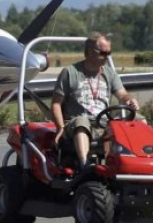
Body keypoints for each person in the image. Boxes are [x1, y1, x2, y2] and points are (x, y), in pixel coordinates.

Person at [51, 33, 141, 169]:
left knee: (139, 120)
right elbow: (56, 103)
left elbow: (122, 94)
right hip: (77, 122)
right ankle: (84, 165)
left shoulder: (109, 73)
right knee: (82, 122)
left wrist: (129, 100)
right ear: (89, 52)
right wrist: (60, 128)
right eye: (103, 53)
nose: (106, 56)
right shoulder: (70, 72)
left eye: (109, 53)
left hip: (104, 121)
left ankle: (138, 162)